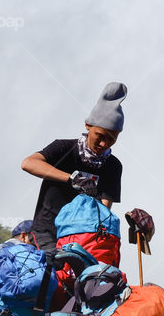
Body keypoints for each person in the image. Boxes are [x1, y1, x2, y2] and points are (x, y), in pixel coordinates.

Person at [21, 82, 127, 250]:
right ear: (88, 125)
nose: (104, 143)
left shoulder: (113, 166)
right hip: (47, 232)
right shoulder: (63, 148)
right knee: (55, 264)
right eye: (100, 135)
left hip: (82, 237)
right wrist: (72, 178)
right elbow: (28, 163)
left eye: (111, 139)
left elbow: (103, 211)